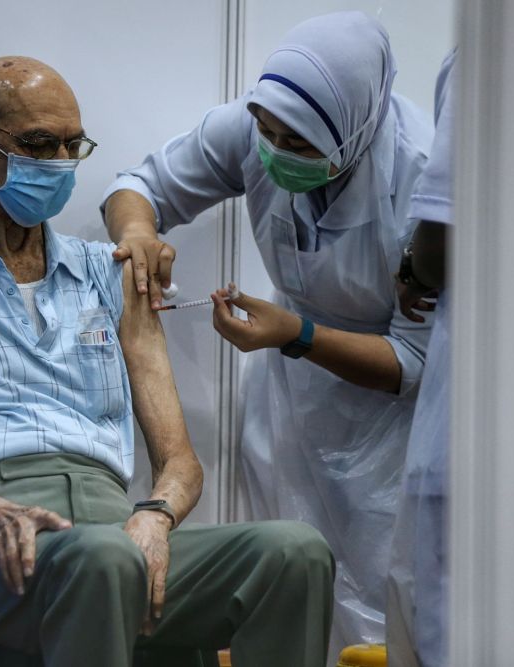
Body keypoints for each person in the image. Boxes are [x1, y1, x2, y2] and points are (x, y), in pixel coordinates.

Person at [0, 56, 334, 667]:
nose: (58, 164)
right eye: (37, 145)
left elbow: (179, 460)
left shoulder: (105, 275)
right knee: (101, 560)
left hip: (112, 533)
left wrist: (156, 518)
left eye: (71, 146)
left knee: (293, 552)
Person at [101, 12, 434, 653]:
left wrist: (297, 334)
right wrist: (140, 234)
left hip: (391, 428)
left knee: (381, 611)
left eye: (302, 146)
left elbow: (413, 361)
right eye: (266, 132)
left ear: (357, 127)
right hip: (288, 402)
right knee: (288, 580)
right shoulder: (261, 124)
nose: (276, 152)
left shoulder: (419, 178)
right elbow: (136, 186)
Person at [386, 50, 457, 667]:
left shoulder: (488, 54)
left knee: (441, 626)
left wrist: (296, 333)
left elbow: (440, 239)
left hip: (458, 422)